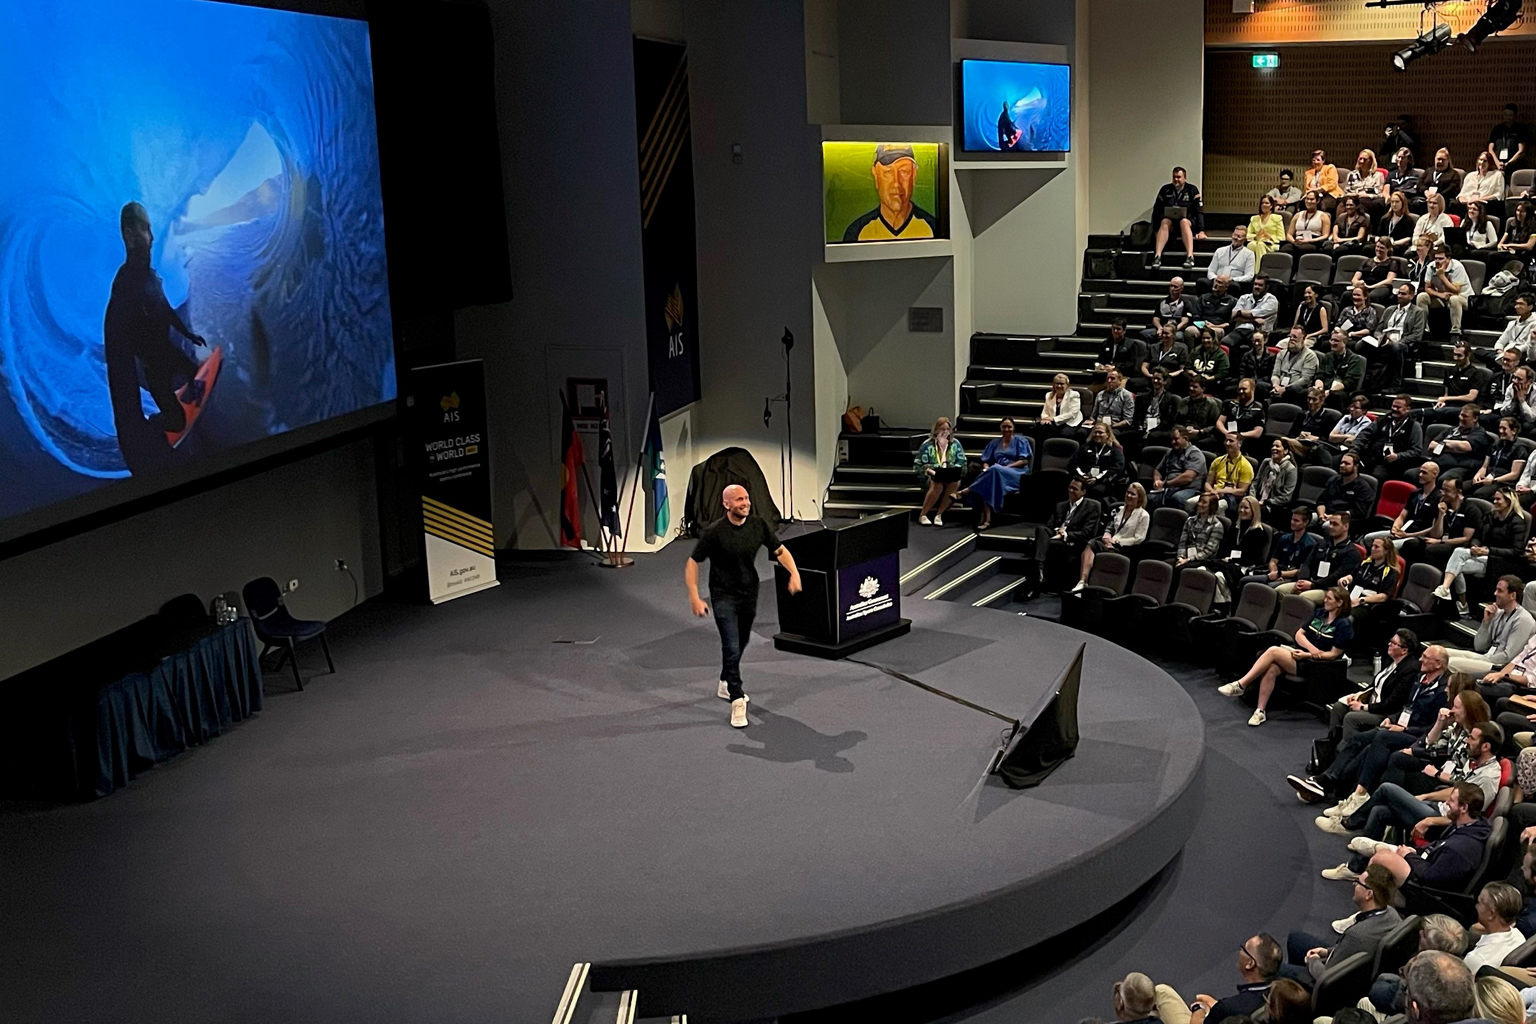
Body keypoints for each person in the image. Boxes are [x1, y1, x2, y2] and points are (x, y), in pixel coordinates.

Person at [104, 201, 210, 474]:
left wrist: (189, 334)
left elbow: (166, 310)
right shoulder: (125, 288)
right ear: (129, 235)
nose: (151, 239)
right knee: (174, 422)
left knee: (192, 371)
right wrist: (139, 444)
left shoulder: (150, 277)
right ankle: (158, 421)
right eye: (145, 230)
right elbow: (119, 371)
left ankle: (178, 410)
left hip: (165, 352)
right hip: (153, 367)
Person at [686, 485, 802, 728]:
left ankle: (725, 680)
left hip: (749, 593)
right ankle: (737, 698)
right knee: (730, 644)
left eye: (747, 498)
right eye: (739, 499)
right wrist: (695, 596)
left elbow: (779, 550)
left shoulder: (758, 525)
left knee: (741, 642)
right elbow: (693, 562)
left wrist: (794, 573)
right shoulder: (714, 532)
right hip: (723, 596)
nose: (745, 503)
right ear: (727, 504)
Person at [1294, 644, 1451, 811]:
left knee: (1381, 738)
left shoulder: (1443, 691)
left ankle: (1350, 791)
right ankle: (1329, 783)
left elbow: (1433, 726)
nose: (1420, 659)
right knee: (1359, 741)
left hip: (1416, 736)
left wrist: (1405, 730)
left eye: (1426, 657)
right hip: (1399, 725)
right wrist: (1392, 719)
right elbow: (1406, 706)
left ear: (1438, 664)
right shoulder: (1420, 678)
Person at [1321, 724, 1501, 849]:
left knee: (1387, 789)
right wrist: (1425, 797)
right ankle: (1359, 864)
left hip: (1441, 821)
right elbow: (1457, 792)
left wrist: (1429, 821)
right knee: (1379, 811)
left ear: (1485, 746)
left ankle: (1349, 824)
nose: (1467, 741)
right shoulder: (1476, 763)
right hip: (1438, 808)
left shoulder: (1488, 777)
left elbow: (1468, 819)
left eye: (1472, 738)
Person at [1219, 586, 1352, 726]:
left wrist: (1309, 655)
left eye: (1329, 598)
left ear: (1340, 603)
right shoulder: (1319, 613)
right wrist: (1312, 650)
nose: (1325, 600)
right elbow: (1299, 634)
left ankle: (1241, 684)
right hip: (1301, 654)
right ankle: (1260, 711)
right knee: (1271, 667)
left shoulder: (1343, 625)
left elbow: (1334, 654)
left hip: (1316, 665)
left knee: (1273, 651)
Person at [1340, 781, 1492, 892]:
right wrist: (1414, 852)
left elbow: (1430, 878)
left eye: (1451, 801)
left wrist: (1409, 857)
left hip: (1428, 891)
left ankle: (1368, 905)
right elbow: (1436, 846)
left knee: (1380, 858)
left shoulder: (1461, 848)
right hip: (1428, 862)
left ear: (1464, 808)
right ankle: (1383, 850)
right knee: (1381, 812)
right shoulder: (1463, 824)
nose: (1446, 803)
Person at [1285, 864, 1401, 986]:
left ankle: (1300, 994)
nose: (1354, 884)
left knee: (1277, 970)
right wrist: (1328, 952)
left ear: (1369, 894)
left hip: (1332, 987)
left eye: (1358, 883)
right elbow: (1349, 950)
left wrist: (1312, 961)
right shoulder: (1392, 915)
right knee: (1295, 939)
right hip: (1358, 970)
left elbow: (1328, 977)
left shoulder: (1356, 935)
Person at [1435, 504, 1531, 629]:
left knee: (1455, 566)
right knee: (1457, 557)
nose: (1495, 502)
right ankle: (1448, 591)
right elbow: (1478, 536)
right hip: (1482, 555)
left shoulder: (1517, 521)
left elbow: (1516, 551)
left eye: (1498, 499)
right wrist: (1475, 546)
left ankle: (1460, 601)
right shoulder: (1491, 516)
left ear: (1508, 502)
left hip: (1499, 561)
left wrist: (1489, 551)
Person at [1152, 934, 1281, 1024]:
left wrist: (1199, 1009)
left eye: (1244, 948)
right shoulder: (1281, 995)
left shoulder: (1230, 1008)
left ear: (1250, 964)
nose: (1240, 951)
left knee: (1162, 991)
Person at [841, 145, 938, 241]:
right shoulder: (857, 233)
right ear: (875, 175)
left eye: (904, 171)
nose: (896, 183)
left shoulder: (934, 229)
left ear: (914, 175)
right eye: (888, 172)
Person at [1402, 475, 1481, 574]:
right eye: (1442, 489)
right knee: (1411, 544)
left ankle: (1432, 580)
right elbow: (1435, 534)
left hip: (1455, 545)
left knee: (1432, 551)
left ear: (1459, 492)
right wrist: (1441, 514)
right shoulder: (1442, 504)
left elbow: (1466, 539)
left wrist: (1440, 541)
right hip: (1438, 540)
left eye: (1447, 490)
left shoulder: (1471, 510)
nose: (1442, 493)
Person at [1078, 481, 1148, 591]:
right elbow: (1110, 526)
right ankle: (1083, 581)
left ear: (1139, 498)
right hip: (1110, 542)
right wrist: (1107, 536)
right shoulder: (1119, 509)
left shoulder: (1144, 515)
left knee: (1101, 549)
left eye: (1133, 494)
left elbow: (1139, 538)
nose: (1129, 496)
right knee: (1091, 544)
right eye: (1127, 492)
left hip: (1125, 547)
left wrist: (1117, 541)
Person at [1280, 511, 1363, 602]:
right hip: (1310, 582)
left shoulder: (1352, 552)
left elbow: (1336, 576)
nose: (1330, 527)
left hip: (1329, 590)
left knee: (1302, 598)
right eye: (1330, 523)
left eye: (1335, 524)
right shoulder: (1322, 543)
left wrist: (1313, 585)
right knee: (1280, 591)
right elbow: (1307, 564)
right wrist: (1302, 580)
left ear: (1346, 526)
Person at [966, 417, 1032, 530]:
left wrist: (1005, 468)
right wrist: (986, 468)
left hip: (1016, 473)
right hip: (997, 473)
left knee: (994, 470)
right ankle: (987, 519)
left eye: (1009, 427)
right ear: (1000, 428)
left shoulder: (1021, 441)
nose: (1007, 429)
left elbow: (1025, 461)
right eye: (1004, 427)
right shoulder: (994, 442)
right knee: (989, 479)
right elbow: (986, 460)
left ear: (1014, 428)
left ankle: (967, 490)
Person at [1365, 460, 1441, 552]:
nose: (1420, 475)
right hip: (1403, 531)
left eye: (1424, 473)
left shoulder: (1438, 497)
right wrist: (1395, 528)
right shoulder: (1415, 493)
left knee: (1388, 547)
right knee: (1368, 538)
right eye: (1420, 472)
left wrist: (1407, 535)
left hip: (1418, 536)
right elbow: (1402, 515)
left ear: (1434, 474)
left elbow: (1433, 528)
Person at [1043, 477, 1101, 591]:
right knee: (1041, 531)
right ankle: (1039, 567)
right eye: (1070, 488)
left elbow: (1086, 532)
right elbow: (1049, 525)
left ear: (1083, 491)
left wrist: (1064, 534)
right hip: (1056, 535)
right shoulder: (1061, 505)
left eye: (1074, 489)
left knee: (1047, 544)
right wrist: (1057, 530)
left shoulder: (1091, 507)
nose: (1071, 491)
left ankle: (1039, 574)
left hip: (1074, 541)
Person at [1339, 535, 1401, 641]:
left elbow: (1383, 596)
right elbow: (1352, 576)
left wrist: (1361, 600)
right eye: (1372, 546)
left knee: (1346, 617)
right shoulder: (1366, 563)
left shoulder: (1390, 572)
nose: (1372, 549)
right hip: (1352, 596)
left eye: (1377, 547)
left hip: (1368, 605)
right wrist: (1345, 579)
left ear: (1386, 551)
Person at [1367, 282, 1426, 393]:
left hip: (1404, 344)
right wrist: (1380, 338)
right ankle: (1367, 382)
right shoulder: (1389, 309)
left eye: (1403, 294)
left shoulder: (1418, 312)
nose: (1399, 296)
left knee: (1396, 347)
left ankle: (1396, 384)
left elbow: (1417, 335)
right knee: (1361, 345)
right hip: (1384, 342)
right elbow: (1378, 329)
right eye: (1398, 293)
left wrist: (1397, 341)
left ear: (1412, 296)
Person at [1357, 393, 1424, 482]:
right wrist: (1354, 449)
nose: (1394, 409)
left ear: (1408, 409)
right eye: (1393, 406)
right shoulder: (1384, 420)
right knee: (1353, 467)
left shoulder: (1414, 426)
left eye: (1398, 407)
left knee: (1376, 475)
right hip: (1374, 457)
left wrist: (1398, 456)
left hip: (1395, 463)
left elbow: (1416, 451)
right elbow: (1365, 433)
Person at [915, 416, 966, 526]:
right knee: (937, 483)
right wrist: (928, 471)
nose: (945, 432)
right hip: (931, 477)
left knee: (955, 482)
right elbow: (918, 465)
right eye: (942, 429)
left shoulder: (955, 444)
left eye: (947, 430)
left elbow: (963, 462)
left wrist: (955, 469)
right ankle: (923, 515)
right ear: (936, 430)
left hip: (950, 476)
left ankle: (939, 514)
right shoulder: (927, 445)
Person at [1416, 242, 1472, 341]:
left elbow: (1456, 290)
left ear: (1448, 259)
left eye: (1441, 259)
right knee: (1422, 297)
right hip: (1443, 297)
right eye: (1436, 258)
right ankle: (1423, 329)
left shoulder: (1457, 266)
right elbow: (1427, 288)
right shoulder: (1431, 266)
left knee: (1454, 299)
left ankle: (1456, 332)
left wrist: (1442, 276)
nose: (1437, 261)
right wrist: (1440, 295)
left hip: (1463, 298)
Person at [1426, 342, 1493, 424]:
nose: (1456, 358)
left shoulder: (1476, 373)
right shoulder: (1449, 371)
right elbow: (1446, 393)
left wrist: (1446, 399)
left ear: (1468, 355)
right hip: (1448, 406)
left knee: (1442, 413)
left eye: (1459, 355)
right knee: (1420, 413)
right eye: (1454, 354)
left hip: (1464, 407)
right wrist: (1442, 402)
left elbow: (1471, 397)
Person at [1151, 166, 1204, 269]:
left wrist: (1200, 230)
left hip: (1187, 222)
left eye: (1179, 177)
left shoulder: (1192, 190)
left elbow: (1199, 211)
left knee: (1183, 221)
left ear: (1185, 177)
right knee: (1165, 221)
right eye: (1174, 177)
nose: (1176, 179)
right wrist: (1156, 229)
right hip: (1170, 224)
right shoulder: (1165, 189)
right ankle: (1157, 256)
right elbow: (1157, 210)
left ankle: (1190, 256)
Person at [1467, 882, 1528, 971]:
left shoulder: (1476, 959)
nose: (1476, 906)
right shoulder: (1518, 936)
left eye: (1479, 902)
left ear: (1491, 914)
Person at [1463, 421, 1527, 497]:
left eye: (1504, 428)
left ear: (1513, 431)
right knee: (1461, 488)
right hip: (1488, 477)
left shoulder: (1520, 449)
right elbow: (1484, 466)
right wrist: (1477, 476)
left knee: (1480, 494)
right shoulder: (1495, 444)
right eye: (1500, 428)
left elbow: (1514, 474)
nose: (1501, 431)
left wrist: (1493, 481)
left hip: (1502, 482)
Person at [1148, 426, 1206, 509]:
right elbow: (1158, 470)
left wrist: (1167, 483)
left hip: (1189, 489)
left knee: (1177, 498)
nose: (1173, 442)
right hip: (1169, 487)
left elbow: (1188, 477)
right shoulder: (1170, 453)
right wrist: (1157, 480)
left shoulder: (1195, 454)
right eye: (1171, 439)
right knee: (1150, 498)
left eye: (1176, 439)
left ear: (1185, 438)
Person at [1071, 421, 1127, 506]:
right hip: (1083, 479)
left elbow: (1117, 467)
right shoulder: (1085, 448)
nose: (1097, 434)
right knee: (1073, 488)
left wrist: (1097, 478)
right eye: (1095, 432)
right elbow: (1073, 463)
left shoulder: (1114, 450)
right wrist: (1083, 477)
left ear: (1107, 435)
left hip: (1103, 481)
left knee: (1096, 490)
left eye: (1100, 432)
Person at [1316, 451, 1375, 524]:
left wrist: (1333, 517)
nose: (1342, 465)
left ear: (1356, 466)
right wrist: (1321, 515)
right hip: (1325, 515)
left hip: (1344, 520)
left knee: (1326, 526)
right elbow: (1321, 501)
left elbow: (1358, 512)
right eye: (1341, 463)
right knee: (1304, 519)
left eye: (1347, 464)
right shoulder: (1333, 480)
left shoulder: (1363, 487)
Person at [1316, 330, 1366, 410]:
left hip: (1342, 390)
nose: (1332, 343)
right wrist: (1319, 388)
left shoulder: (1354, 359)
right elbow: (1320, 375)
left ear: (1345, 342)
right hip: (1326, 387)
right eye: (1331, 340)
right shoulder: (1327, 356)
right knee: (1307, 392)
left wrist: (1329, 391)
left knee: (1335, 396)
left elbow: (1349, 382)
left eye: (1336, 341)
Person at [1225, 276, 1280, 348]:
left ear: (1266, 287)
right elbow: (1234, 316)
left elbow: (1252, 314)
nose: (1257, 287)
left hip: (1260, 333)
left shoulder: (1271, 301)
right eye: (1255, 284)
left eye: (1260, 285)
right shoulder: (1244, 298)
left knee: (1254, 346)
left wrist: (1240, 312)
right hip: (1240, 330)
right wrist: (1254, 320)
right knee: (1225, 343)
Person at [1133, 368, 1179, 451]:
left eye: (1159, 379)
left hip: (1160, 428)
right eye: (1154, 378)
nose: (1155, 381)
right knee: (1127, 435)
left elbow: (1170, 420)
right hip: (1143, 427)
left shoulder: (1171, 399)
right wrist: (1140, 427)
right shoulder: (1142, 397)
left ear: (1164, 382)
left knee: (1153, 436)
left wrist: (1152, 430)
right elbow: (1137, 416)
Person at [1208, 432, 1254, 513]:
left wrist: (1222, 491)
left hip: (1231, 498)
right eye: (1226, 440)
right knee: (1190, 503)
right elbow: (1207, 483)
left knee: (1217, 507)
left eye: (1231, 441)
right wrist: (1213, 491)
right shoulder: (1217, 461)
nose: (1227, 443)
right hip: (1213, 494)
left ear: (1239, 444)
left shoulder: (1246, 466)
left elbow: (1242, 491)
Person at [1142, 278, 1196, 347]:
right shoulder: (1162, 302)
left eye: (1175, 287)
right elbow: (1156, 318)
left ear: (1181, 288)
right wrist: (1159, 328)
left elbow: (1185, 321)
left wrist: (1172, 331)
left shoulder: (1186, 303)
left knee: (1179, 336)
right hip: (1162, 328)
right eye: (1171, 286)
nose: (1172, 288)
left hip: (1177, 330)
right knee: (1145, 334)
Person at [1273, 326, 1321, 403]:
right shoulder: (1282, 353)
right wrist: (1276, 385)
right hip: (1279, 385)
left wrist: (1285, 389)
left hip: (1297, 388)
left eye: (1295, 337)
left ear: (1303, 339)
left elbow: (1306, 379)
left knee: (1293, 390)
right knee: (1261, 385)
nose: (1291, 339)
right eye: (1290, 336)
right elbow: (1275, 373)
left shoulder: (1310, 356)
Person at [1254, 441, 1299, 523]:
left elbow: (1286, 497)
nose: (1274, 448)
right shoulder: (1266, 462)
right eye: (1273, 446)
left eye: (1277, 446)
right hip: (1258, 499)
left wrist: (1265, 502)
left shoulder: (1291, 469)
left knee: (1252, 511)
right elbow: (1255, 482)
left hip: (1274, 506)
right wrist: (1252, 498)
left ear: (1285, 451)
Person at [1216, 377, 1266, 450]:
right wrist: (1227, 433)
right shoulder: (1230, 404)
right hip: (1226, 437)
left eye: (1244, 389)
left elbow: (1257, 432)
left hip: (1245, 441)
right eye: (1239, 389)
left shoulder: (1258, 409)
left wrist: (1238, 435)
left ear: (1252, 390)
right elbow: (1219, 422)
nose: (1241, 391)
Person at [1083, 369, 1136, 438]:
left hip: (1115, 426)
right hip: (1099, 424)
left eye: (1112, 379)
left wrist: (1110, 426)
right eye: (1107, 378)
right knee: (1082, 432)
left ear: (1120, 381)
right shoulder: (1100, 394)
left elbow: (1128, 421)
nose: (1109, 381)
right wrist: (1090, 422)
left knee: (1105, 434)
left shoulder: (1127, 395)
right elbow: (1093, 415)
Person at [1094, 318, 1144, 389]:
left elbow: (1131, 364)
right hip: (1106, 376)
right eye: (1113, 328)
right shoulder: (1106, 343)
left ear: (1124, 331)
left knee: (1116, 389)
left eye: (1118, 329)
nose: (1115, 331)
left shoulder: (1130, 344)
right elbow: (1100, 360)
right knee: (1090, 392)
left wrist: (1115, 367)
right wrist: (1100, 366)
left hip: (1122, 376)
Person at [1191, 279, 1238, 353]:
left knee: (1215, 332)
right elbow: (1196, 314)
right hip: (1203, 325)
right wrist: (1203, 324)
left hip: (1219, 327)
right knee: (1190, 331)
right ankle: (1193, 355)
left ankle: (1212, 356)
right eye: (1215, 281)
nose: (1216, 284)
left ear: (1226, 287)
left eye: (1220, 282)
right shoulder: (1203, 297)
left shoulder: (1232, 301)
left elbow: (1232, 321)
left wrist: (1216, 326)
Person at [1179, 378, 1224, 452]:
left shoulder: (1211, 404)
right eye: (1190, 386)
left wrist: (1200, 431)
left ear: (1203, 389)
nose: (1191, 389)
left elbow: (1215, 425)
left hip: (1201, 433)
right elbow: (1177, 421)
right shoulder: (1184, 402)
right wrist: (1183, 430)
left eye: (1195, 387)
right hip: (1185, 432)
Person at [1491, 292, 1536, 365]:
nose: (1517, 307)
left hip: (1521, 354)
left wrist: (1509, 353)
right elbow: (1501, 340)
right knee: (1479, 352)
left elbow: (1527, 346)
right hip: (1506, 351)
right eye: (1516, 304)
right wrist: (1500, 350)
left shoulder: (1534, 324)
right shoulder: (1512, 323)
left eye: (1521, 304)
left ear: (1530, 307)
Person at [1282, 190, 1330, 257]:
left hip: (1313, 242)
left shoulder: (1323, 216)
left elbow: (1325, 235)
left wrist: (1308, 241)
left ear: (1317, 201)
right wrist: (1294, 241)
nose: (1309, 201)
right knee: (1285, 249)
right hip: (1297, 241)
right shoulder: (1297, 215)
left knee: (1300, 249)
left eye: (1312, 199)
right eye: (1307, 199)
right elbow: (1289, 234)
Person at [1355, 236, 1402, 305]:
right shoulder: (1367, 261)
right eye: (1377, 247)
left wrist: (1371, 287)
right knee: (1347, 295)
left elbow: (1389, 280)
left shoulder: (1393, 262)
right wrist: (1358, 283)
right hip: (1364, 287)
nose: (1378, 249)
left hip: (1381, 287)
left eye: (1382, 248)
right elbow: (1355, 278)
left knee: (1372, 296)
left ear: (1388, 249)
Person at [1344, 148, 1390, 217]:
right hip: (1353, 199)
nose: (1362, 161)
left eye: (1365, 159)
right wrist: (1354, 195)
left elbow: (1379, 193)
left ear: (1371, 161)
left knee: (1362, 205)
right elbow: (1346, 190)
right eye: (1360, 159)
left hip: (1368, 200)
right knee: (1341, 206)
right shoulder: (1351, 175)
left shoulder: (1378, 175)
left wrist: (1367, 195)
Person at [1037, 373, 1083, 439]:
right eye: (1057, 383)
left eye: (1062, 384)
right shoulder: (1049, 395)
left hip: (1070, 422)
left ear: (1067, 385)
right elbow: (1045, 411)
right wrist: (1045, 419)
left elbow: (1072, 414)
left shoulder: (1074, 395)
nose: (1059, 386)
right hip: (1053, 422)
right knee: (1040, 430)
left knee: (1063, 434)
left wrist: (1054, 419)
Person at [1460, 152, 1506, 219]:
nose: (1482, 163)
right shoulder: (1470, 176)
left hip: (1486, 203)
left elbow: (1498, 195)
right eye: (1480, 160)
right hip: (1468, 203)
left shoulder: (1497, 175)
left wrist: (1478, 200)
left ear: (1490, 163)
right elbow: (1461, 195)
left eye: (1485, 161)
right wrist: (1465, 201)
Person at [1374, 189, 1417, 256]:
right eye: (1392, 202)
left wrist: (1394, 243)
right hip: (1383, 244)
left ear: (1402, 203)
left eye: (1397, 202)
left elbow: (1409, 238)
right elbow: (1378, 234)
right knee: (1368, 248)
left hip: (1398, 245)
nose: (1394, 204)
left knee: (1394, 250)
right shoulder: (1385, 218)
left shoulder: (1408, 220)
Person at [1419, 148, 1464, 213]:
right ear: (1435, 159)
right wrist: (1426, 191)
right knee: (1416, 203)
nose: (1440, 162)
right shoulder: (1428, 171)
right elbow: (1420, 183)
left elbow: (1453, 189)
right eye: (1438, 159)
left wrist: (1437, 196)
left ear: (1448, 161)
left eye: (1443, 160)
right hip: (1427, 197)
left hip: (1444, 199)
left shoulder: (1454, 174)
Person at [1490, 102, 1530, 172]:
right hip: (1498, 165)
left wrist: (1508, 164)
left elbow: (1521, 150)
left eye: (1510, 115)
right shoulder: (1497, 129)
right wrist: (1497, 163)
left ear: (1515, 116)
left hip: (1514, 166)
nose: (1507, 117)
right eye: (1505, 115)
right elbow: (1490, 148)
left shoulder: (1520, 129)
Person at [1248, 195, 1287, 262]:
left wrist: (1269, 237)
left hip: (1272, 244)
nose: (1264, 205)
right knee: (1251, 244)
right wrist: (1255, 236)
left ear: (1271, 206)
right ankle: (1250, 270)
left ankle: (1260, 270)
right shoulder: (1254, 218)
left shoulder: (1277, 218)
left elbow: (1282, 237)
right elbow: (1247, 235)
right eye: (1262, 203)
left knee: (1260, 245)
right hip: (1257, 242)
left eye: (1266, 203)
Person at [1292, 283, 1331, 348]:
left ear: (1316, 295)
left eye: (1309, 293)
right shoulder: (1302, 306)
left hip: (1311, 338)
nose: (1306, 295)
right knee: (1281, 344)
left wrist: (1310, 335)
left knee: (1297, 347)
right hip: (1298, 336)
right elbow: (1295, 325)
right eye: (1305, 293)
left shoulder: (1321, 309)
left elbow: (1325, 329)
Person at [1498, 200, 1536, 265]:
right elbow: (1500, 243)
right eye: (1518, 210)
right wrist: (1501, 246)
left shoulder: (1533, 226)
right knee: (1492, 255)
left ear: (1528, 213)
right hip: (1510, 251)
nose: (1519, 213)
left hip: (1524, 255)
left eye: (1522, 211)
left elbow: (1529, 246)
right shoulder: (1511, 223)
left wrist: (1511, 246)